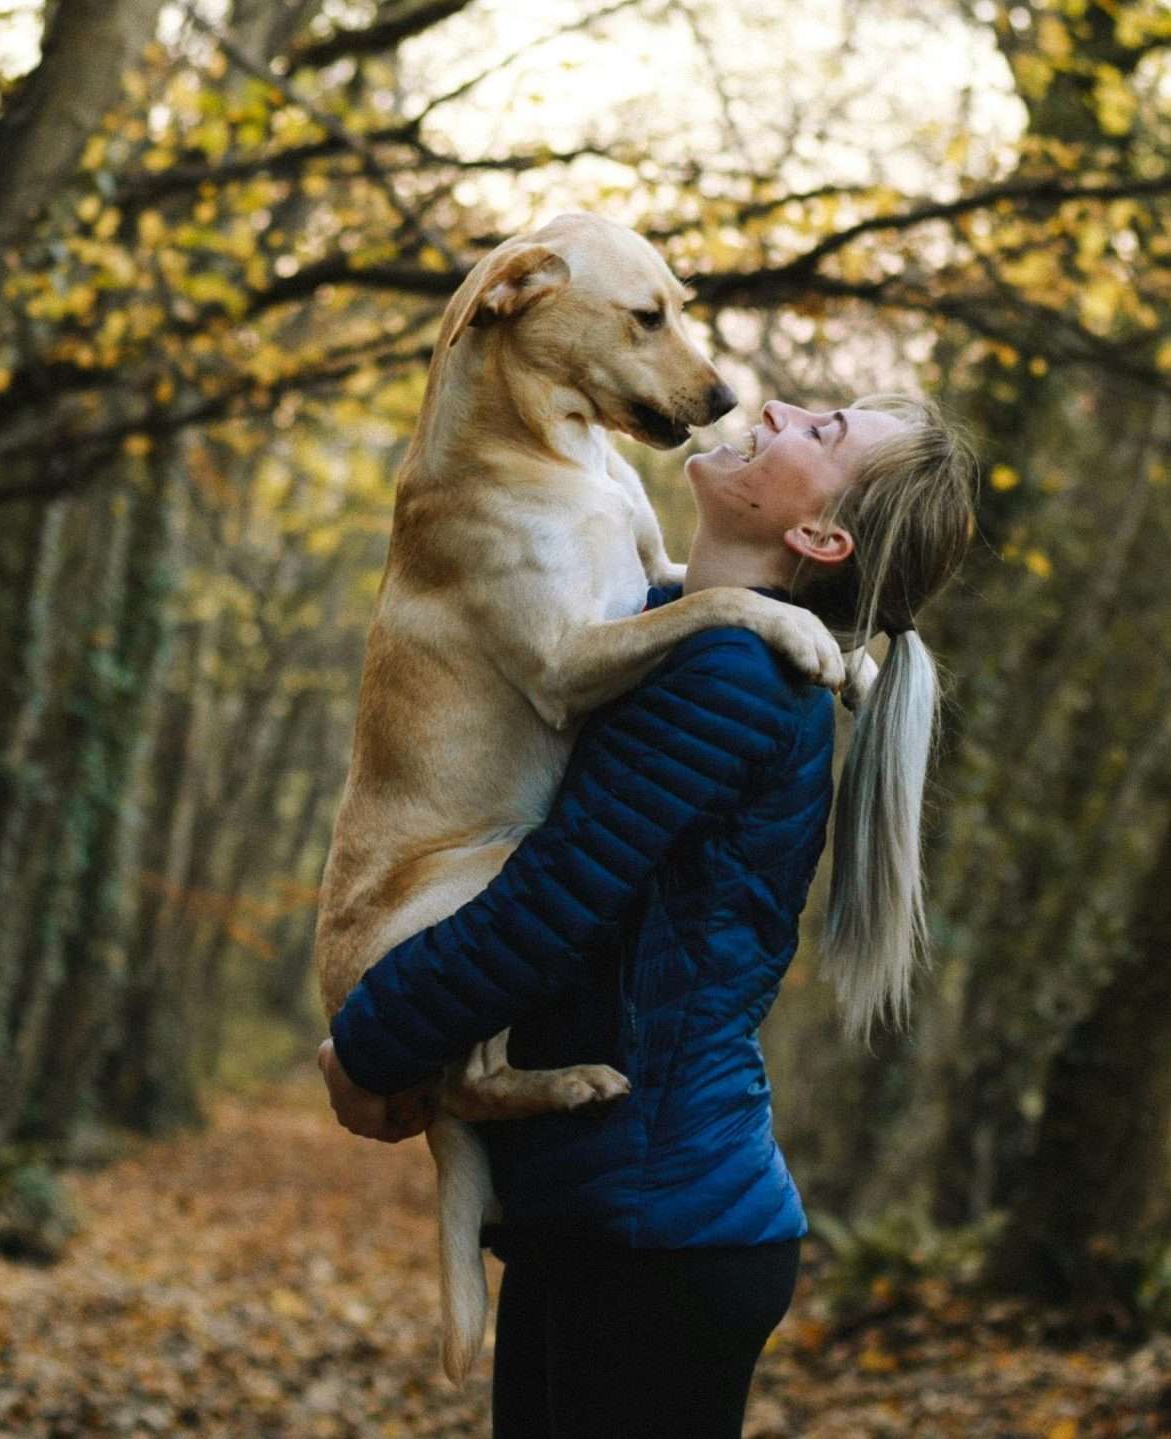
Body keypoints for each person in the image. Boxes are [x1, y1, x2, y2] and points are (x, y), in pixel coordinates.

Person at [318, 393, 977, 1438]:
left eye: (823, 431)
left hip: (660, 1231)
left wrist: (370, 1047)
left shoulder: (732, 672)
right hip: (611, 1223)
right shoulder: (676, 638)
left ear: (817, 536)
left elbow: (553, 901)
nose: (777, 406)